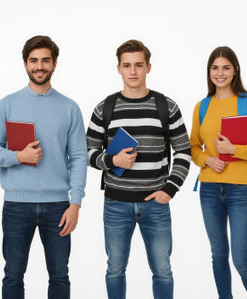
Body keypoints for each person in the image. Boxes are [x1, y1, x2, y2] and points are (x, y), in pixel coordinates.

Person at [86, 39, 191, 299]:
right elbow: (87, 153)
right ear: (119, 69)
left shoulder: (166, 107)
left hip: (156, 203)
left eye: (138, 65)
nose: (133, 71)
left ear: (149, 67)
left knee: (163, 271)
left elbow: (184, 151)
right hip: (115, 203)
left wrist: (170, 189)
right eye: (127, 65)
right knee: (115, 270)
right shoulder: (104, 108)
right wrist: (112, 161)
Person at [0, 35, 87, 299]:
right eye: (34, 60)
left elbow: (78, 157)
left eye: (45, 60)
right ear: (25, 64)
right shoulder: (7, 104)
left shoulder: (70, 108)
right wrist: (18, 157)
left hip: (58, 207)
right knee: (13, 276)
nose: (39, 66)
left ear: (54, 64)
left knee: (60, 276)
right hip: (16, 205)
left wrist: (75, 203)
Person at [189, 46, 247, 299]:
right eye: (215, 68)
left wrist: (233, 149)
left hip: (241, 191)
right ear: (209, 72)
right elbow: (193, 148)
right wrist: (207, 160)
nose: (220, 73)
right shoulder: (202, 106)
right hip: (209, 190)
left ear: (235, 70)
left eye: (226, 67)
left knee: (241, 259)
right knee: (218, 256)